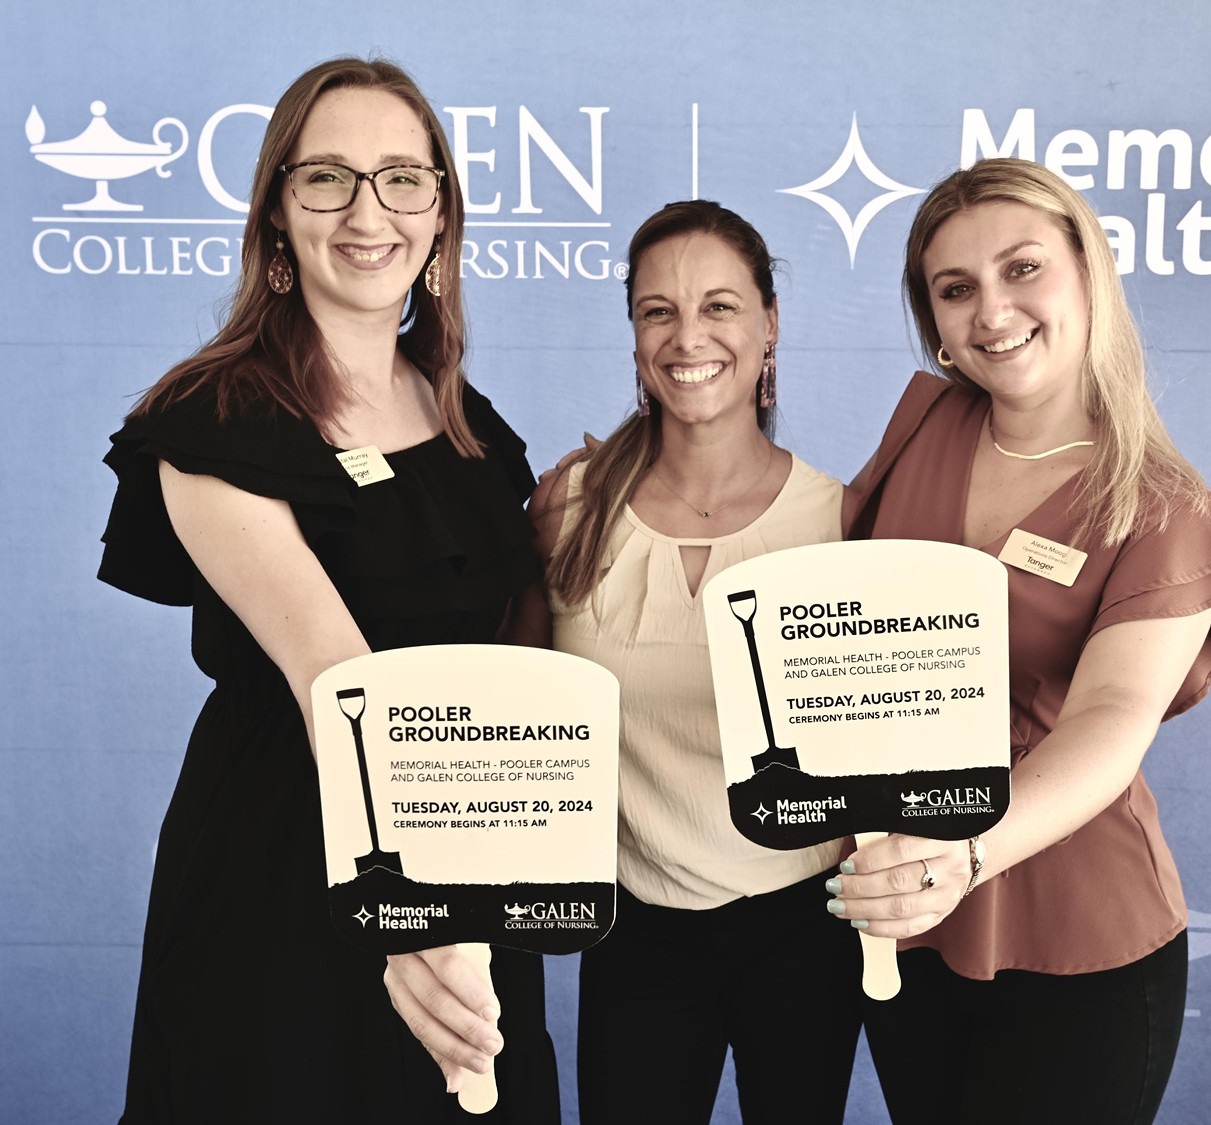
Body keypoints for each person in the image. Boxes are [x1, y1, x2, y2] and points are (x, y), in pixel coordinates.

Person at [98, 57, 559, 1124]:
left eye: (403, 178)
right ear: (275, 211)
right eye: (328, 180)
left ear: (441, 213)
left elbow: (523, 657)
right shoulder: (214, 421)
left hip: (467, 848)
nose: (369, 212)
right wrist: (419, 917)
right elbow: (336, 684)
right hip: (287, 871)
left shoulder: (474, 430)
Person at [827, 158, 1211, 1125]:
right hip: (912, 918)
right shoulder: (926, 425)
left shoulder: (1164, 505)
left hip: (1076, 927)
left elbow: (1110, 720)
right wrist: (649, 467)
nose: (992, 311)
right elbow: (818, 585)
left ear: (1086, 273)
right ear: (935, 324)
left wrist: (960, 854)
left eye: (1022, 269)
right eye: (956, 289)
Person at [531, 200, 865, 1124]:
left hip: (806, 924)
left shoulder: (843, 521)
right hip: (636, 930)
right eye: (657, 310)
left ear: (770, 326)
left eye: (719, 306)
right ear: (634, 333)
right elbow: (515, 706)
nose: (688, 337)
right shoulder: (566, 507)